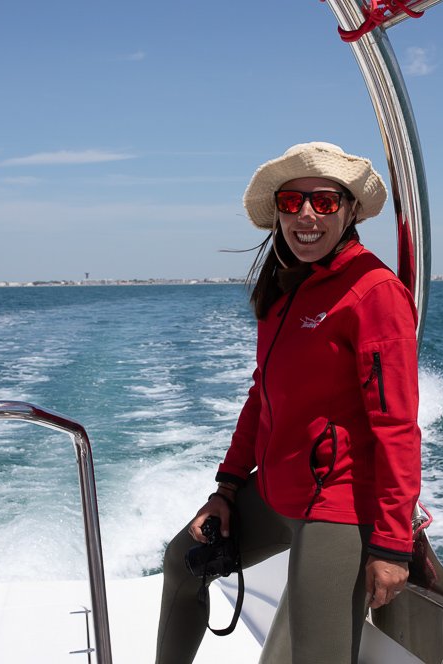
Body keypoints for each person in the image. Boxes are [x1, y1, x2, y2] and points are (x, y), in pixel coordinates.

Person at [155, 142, 421, 663]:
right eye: (291, 201)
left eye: (324, 201)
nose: (305, 215)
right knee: (182, 562)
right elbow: (263, 394)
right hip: (277, 490)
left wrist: (393, 543)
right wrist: (227, 489)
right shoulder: (284, 290)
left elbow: (396, 426)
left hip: (337, 505)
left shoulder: (374, 292)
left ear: (349, 210)